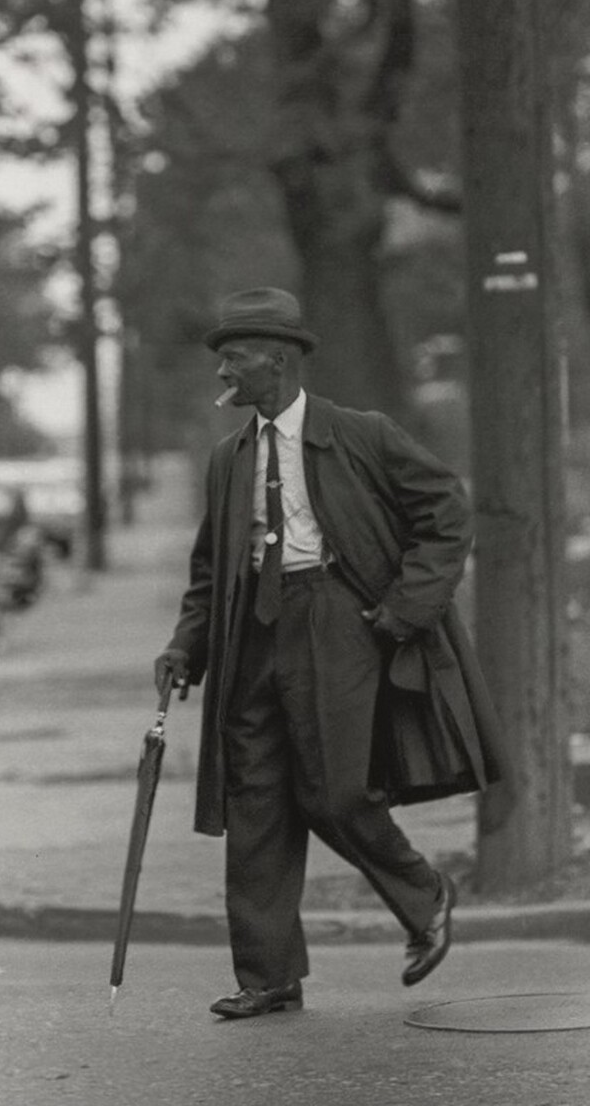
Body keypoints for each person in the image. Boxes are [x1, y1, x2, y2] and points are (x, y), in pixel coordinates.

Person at [155, 287, 508, 1020]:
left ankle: (424, 894)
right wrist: (185, 646)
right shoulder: (229, 459)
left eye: (234, 357)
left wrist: (409, 607)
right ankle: (269, 974)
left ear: (276, 362)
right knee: (255, 797)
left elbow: (445, 512)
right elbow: (209, 571)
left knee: (336, 791)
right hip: (252, 632)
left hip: (338, 623)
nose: (223, 372)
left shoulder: (361, 434)